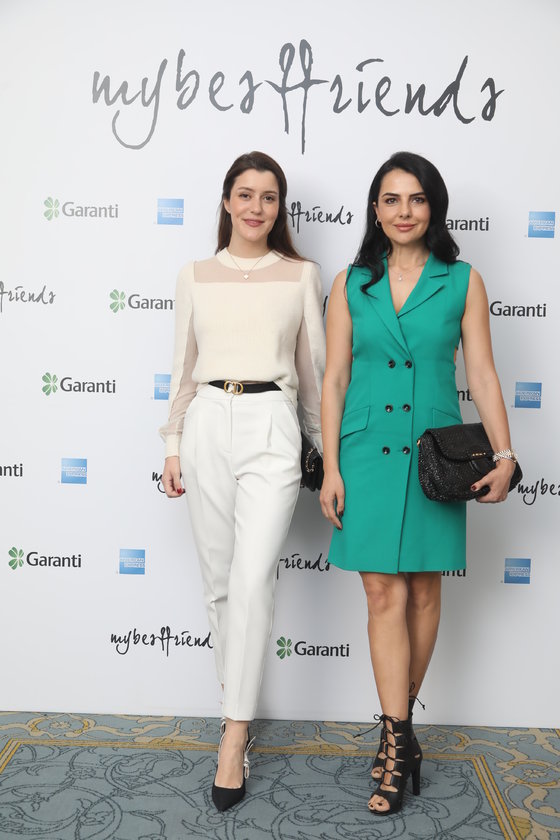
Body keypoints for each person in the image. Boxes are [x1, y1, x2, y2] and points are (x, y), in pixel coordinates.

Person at [319, 151, 517, 816]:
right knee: (383, 592)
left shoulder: (462, 280)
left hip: (434, 455)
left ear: (434, 207)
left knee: (425, 591)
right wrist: (332, 466)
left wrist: (505, 453)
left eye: (417, 199)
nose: (404, 211)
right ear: (374, 211)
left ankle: (393, 734)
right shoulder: (352, 283)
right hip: (366, 453)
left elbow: (481, 373)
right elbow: (334, 379)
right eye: (391, 199)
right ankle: (401, 740)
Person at [160, 151, 325, 812]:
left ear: (279, 208)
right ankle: (237, 713)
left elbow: (311, 376)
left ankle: (233, 738)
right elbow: (182, 369)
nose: (257, 207)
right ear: (226, 201)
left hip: (272, 425)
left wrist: (324, 455)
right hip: (206, 422)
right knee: (221, 584)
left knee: (254, 578)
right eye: (246, 194)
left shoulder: (301, 275)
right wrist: (172, 444)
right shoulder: (195, 276)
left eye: (269, 196)